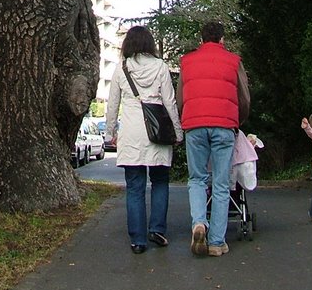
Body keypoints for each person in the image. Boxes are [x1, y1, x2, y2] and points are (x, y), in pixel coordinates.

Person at [105, 25, 182, 254]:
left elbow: (112, 105)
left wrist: (110, 133)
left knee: (135, 188)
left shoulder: (122, 68)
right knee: (160, 182)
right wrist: (177, 131)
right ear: (150, 43)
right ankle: (157, 229)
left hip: (131, 134)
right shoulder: (161, 66)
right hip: (157, 131)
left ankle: (138, 240)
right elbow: (169, 102)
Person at [176, 20, 250, 258]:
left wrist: (186, 117)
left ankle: (199, 223)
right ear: (222, 39)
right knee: (221, 183)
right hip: (224, 125)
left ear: (201, 40)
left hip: (195, 125)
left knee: (197, 178)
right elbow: (244, 98)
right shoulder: (234, 61)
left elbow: (180, 98)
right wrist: (238, 121)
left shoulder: (187, 62)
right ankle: (217, 242)